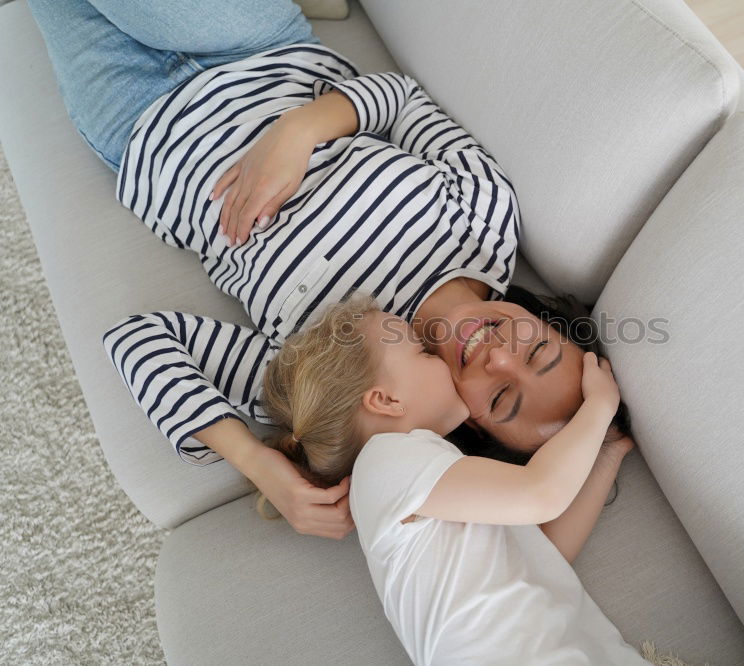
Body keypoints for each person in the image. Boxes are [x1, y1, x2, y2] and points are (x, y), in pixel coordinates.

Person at [28, 0, 631, 542]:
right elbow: (401, 98)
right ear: (548, 320)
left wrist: (261, 466)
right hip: (263, 51)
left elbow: (139, 342)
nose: (499, 356)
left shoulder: (338, 371)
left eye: (501, 397)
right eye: (539, 353)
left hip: (140, 128)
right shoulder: (484, 218)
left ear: (467, 422)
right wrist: (301, 130)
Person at [254, 292, 647, 665]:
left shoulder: (415, 469)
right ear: (386, 401)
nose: (440, 359)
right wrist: (599, 405)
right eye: (423, 353)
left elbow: (542, 551)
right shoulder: (383, 461)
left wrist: (608, 448)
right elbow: (541, 492)